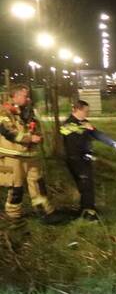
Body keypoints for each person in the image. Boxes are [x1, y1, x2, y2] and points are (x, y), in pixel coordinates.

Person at [60, 100, 116, 220]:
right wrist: (84, 129)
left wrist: (114, 143)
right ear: (77, 110)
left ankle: (87, 209)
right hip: (75, 160)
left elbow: (97, 134)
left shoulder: (84, 122)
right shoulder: (67, 124)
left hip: (84, 158)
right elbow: (73, 141)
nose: (88, 113)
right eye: (86, 111)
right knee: (85, 185)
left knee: (87, 185)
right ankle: (88, 213)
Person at [0, 84, 58, 223]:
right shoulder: (4, 112)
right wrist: (30, 138)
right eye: (25, 96)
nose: (28, 99)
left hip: (30, 155)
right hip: (12, 156)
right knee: (16, 187)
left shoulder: (27, 111)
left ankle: (45, 212)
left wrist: (37, 134)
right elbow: (8, 132)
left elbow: (35, 128)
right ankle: (13, 216)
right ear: (15, 96)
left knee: (38, 184)